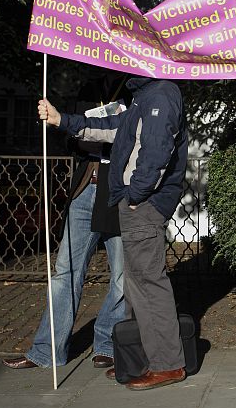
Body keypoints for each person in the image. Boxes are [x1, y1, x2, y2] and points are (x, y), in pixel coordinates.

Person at [38, 77, 189, 391]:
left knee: (148, 281)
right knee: (136, 285)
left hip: (143, 203)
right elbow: (114, 126)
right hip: (137, 201)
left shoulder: (161, 93)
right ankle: (145, 359)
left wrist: (136, 194)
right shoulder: (146, 94)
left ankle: (168, 364)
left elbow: (157, 150)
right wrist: (62, 120)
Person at [3, 80, 126, 371]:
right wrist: (72, 134)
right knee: (65, 273)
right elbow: (71, 135)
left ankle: (107, 344)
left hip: (119, 191)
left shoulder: (134, 89)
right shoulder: (87, 89)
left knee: (123, 276)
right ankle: (47, 351)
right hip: (86, 188)